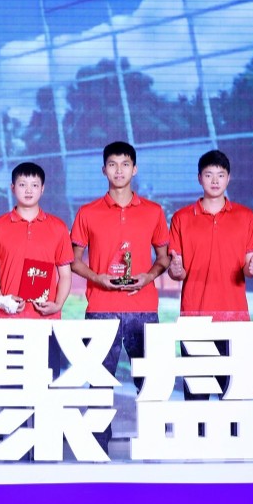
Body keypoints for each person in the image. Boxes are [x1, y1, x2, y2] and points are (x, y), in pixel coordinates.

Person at [70, 141, 170, 455]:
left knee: (150, 382)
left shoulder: (153, 212)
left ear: (134, 169)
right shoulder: (87, 212)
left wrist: (148, 277)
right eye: (112, 164)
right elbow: (74, 261)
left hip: (143, 308)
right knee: (99, 383)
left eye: (125, 164)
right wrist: (98, 278)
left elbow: (164, 258)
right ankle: (97, 451)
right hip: (101, 308)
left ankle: (154, 447)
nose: (119, 170)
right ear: (104, 170)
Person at [168, 149, 253, 399]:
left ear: (228, 178)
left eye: (220, 175)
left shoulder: (245, 216)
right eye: (209, 174)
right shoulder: (181, 218)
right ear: (199, 178)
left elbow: (249, 265)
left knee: (233, 397)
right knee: (197, 397)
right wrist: (175, 271)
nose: (214, 180)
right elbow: (178, 267)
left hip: (234, 317)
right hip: (195, 315)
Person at [0, 162, 73, 378]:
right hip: (10, 319)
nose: (29, 190)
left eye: (34, 185)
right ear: (12, 188)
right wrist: (1, 299)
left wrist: (58, 305)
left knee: (47, 385)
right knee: (12, 387)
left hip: (46, 320)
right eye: (23, 184)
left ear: (43, 189)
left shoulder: (58, 227)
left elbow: (65, 274)